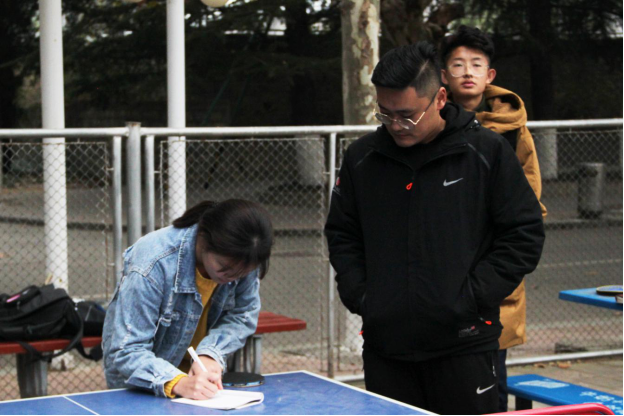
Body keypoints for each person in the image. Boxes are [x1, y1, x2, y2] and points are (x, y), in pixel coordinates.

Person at [325, 42, 545, 415]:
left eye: (407, 115)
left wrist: (470, 297)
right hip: (387, 346)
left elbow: (523, 233)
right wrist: (363, 296)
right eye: (385, 113)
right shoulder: (362, 158)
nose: (396, 125)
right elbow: (342, 234)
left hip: (465, 344)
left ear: (440, 98)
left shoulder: (486, 152)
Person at [440, 25, 548, 412]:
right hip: (444, 261)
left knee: (491, 373)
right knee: (444, 373)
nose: (467, 72)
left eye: (476, 64)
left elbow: (530, 198)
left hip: (492, 261)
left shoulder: (513, 129)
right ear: (443, 76)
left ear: (490, 75)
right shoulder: (430, 125)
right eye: (457, 64)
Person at [102, 200, 273, 400]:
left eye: (242, 273)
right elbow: (127, 350)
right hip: (144, 386)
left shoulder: (245, 257)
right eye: (224, 268)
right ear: (203, 240)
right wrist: (179, 383)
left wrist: (210, 354)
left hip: (202, 387)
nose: (233, 278)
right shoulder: (152, 263)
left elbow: (242, 315)